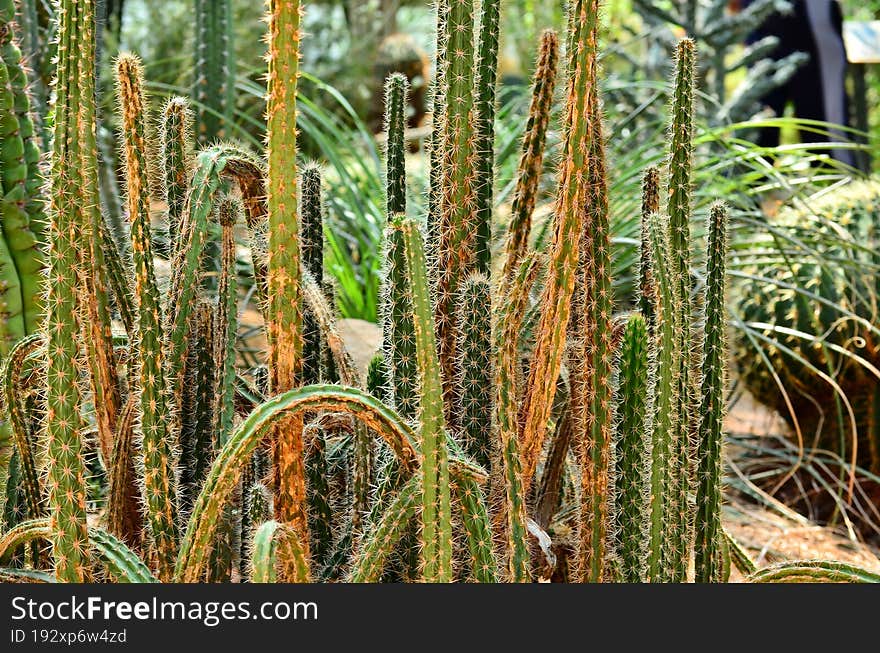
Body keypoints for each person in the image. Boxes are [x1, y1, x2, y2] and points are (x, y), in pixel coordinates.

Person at [731, 0, 855, 166]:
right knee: (758, 121)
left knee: (825, 125)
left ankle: (839, 177)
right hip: (760, 17)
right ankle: (748, 183)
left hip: (812, 20)